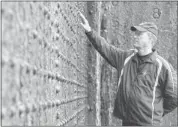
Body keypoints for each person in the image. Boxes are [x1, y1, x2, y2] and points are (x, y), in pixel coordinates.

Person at [79, 12, 177, 126]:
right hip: (127, 122)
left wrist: (156, 112)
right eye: (135, 33)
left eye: (139, 34)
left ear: (150, 38)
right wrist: (89, 32)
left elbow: (174, 97)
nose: (135, 36)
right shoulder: (126, 58)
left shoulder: (162, 66)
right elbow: (106, 49)